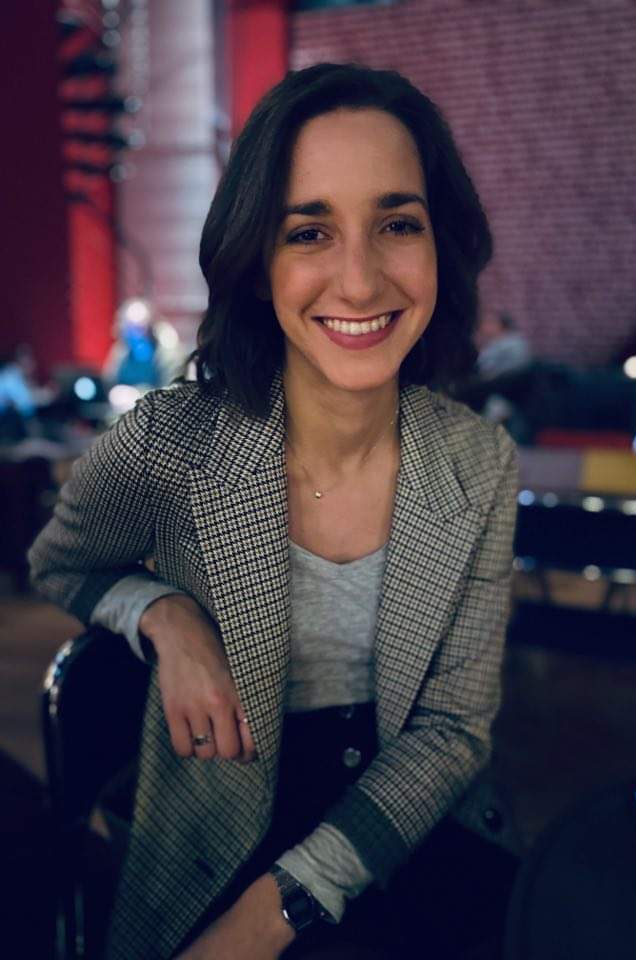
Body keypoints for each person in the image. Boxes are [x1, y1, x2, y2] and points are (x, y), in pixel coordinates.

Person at [29, 63, 518, 960]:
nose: (360, 282)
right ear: (258, 264)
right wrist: (163, 615)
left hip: (411, 828)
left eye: (397, 224)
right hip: (211, 839)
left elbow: (453, 732)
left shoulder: (479, 461)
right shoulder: (169, 442)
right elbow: (57, 563)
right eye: (309, 232)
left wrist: (273, 915)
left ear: (439, 244)